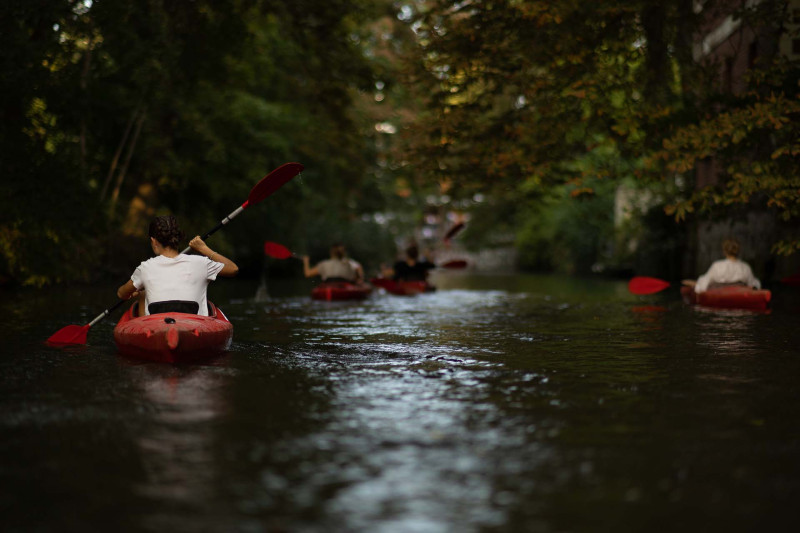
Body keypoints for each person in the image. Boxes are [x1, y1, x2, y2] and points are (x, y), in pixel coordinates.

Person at [117, 215, 239, 316]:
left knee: (143, 293)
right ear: (178, 238)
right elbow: (233, 269)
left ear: (153, 241)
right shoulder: (201, 263)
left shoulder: (145, 268)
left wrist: (137, 291)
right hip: (193, 326)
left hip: (157, 328)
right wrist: (204, 249)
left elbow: (121, 294)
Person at [682, 238, 761, 293]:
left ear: (724, 251)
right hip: (740, 291)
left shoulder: (717, 266)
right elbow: (753, 283)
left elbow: (704, 283)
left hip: (720, 291)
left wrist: (696, 285)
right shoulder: (745, 267)